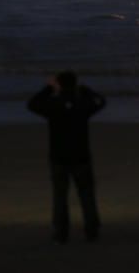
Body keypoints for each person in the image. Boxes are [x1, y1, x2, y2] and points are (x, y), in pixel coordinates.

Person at [27, 71, 106, 243]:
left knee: (60, 196)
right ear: (75, 84)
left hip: (59, 156)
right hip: (81, 155)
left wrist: (48, 89)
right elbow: (101, 102)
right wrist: (87, 91)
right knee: (86, 195)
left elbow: (32, 104)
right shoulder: (82, 105)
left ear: (60, 85)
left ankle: (61, 232)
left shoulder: (53, 105)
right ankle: (91, 229)